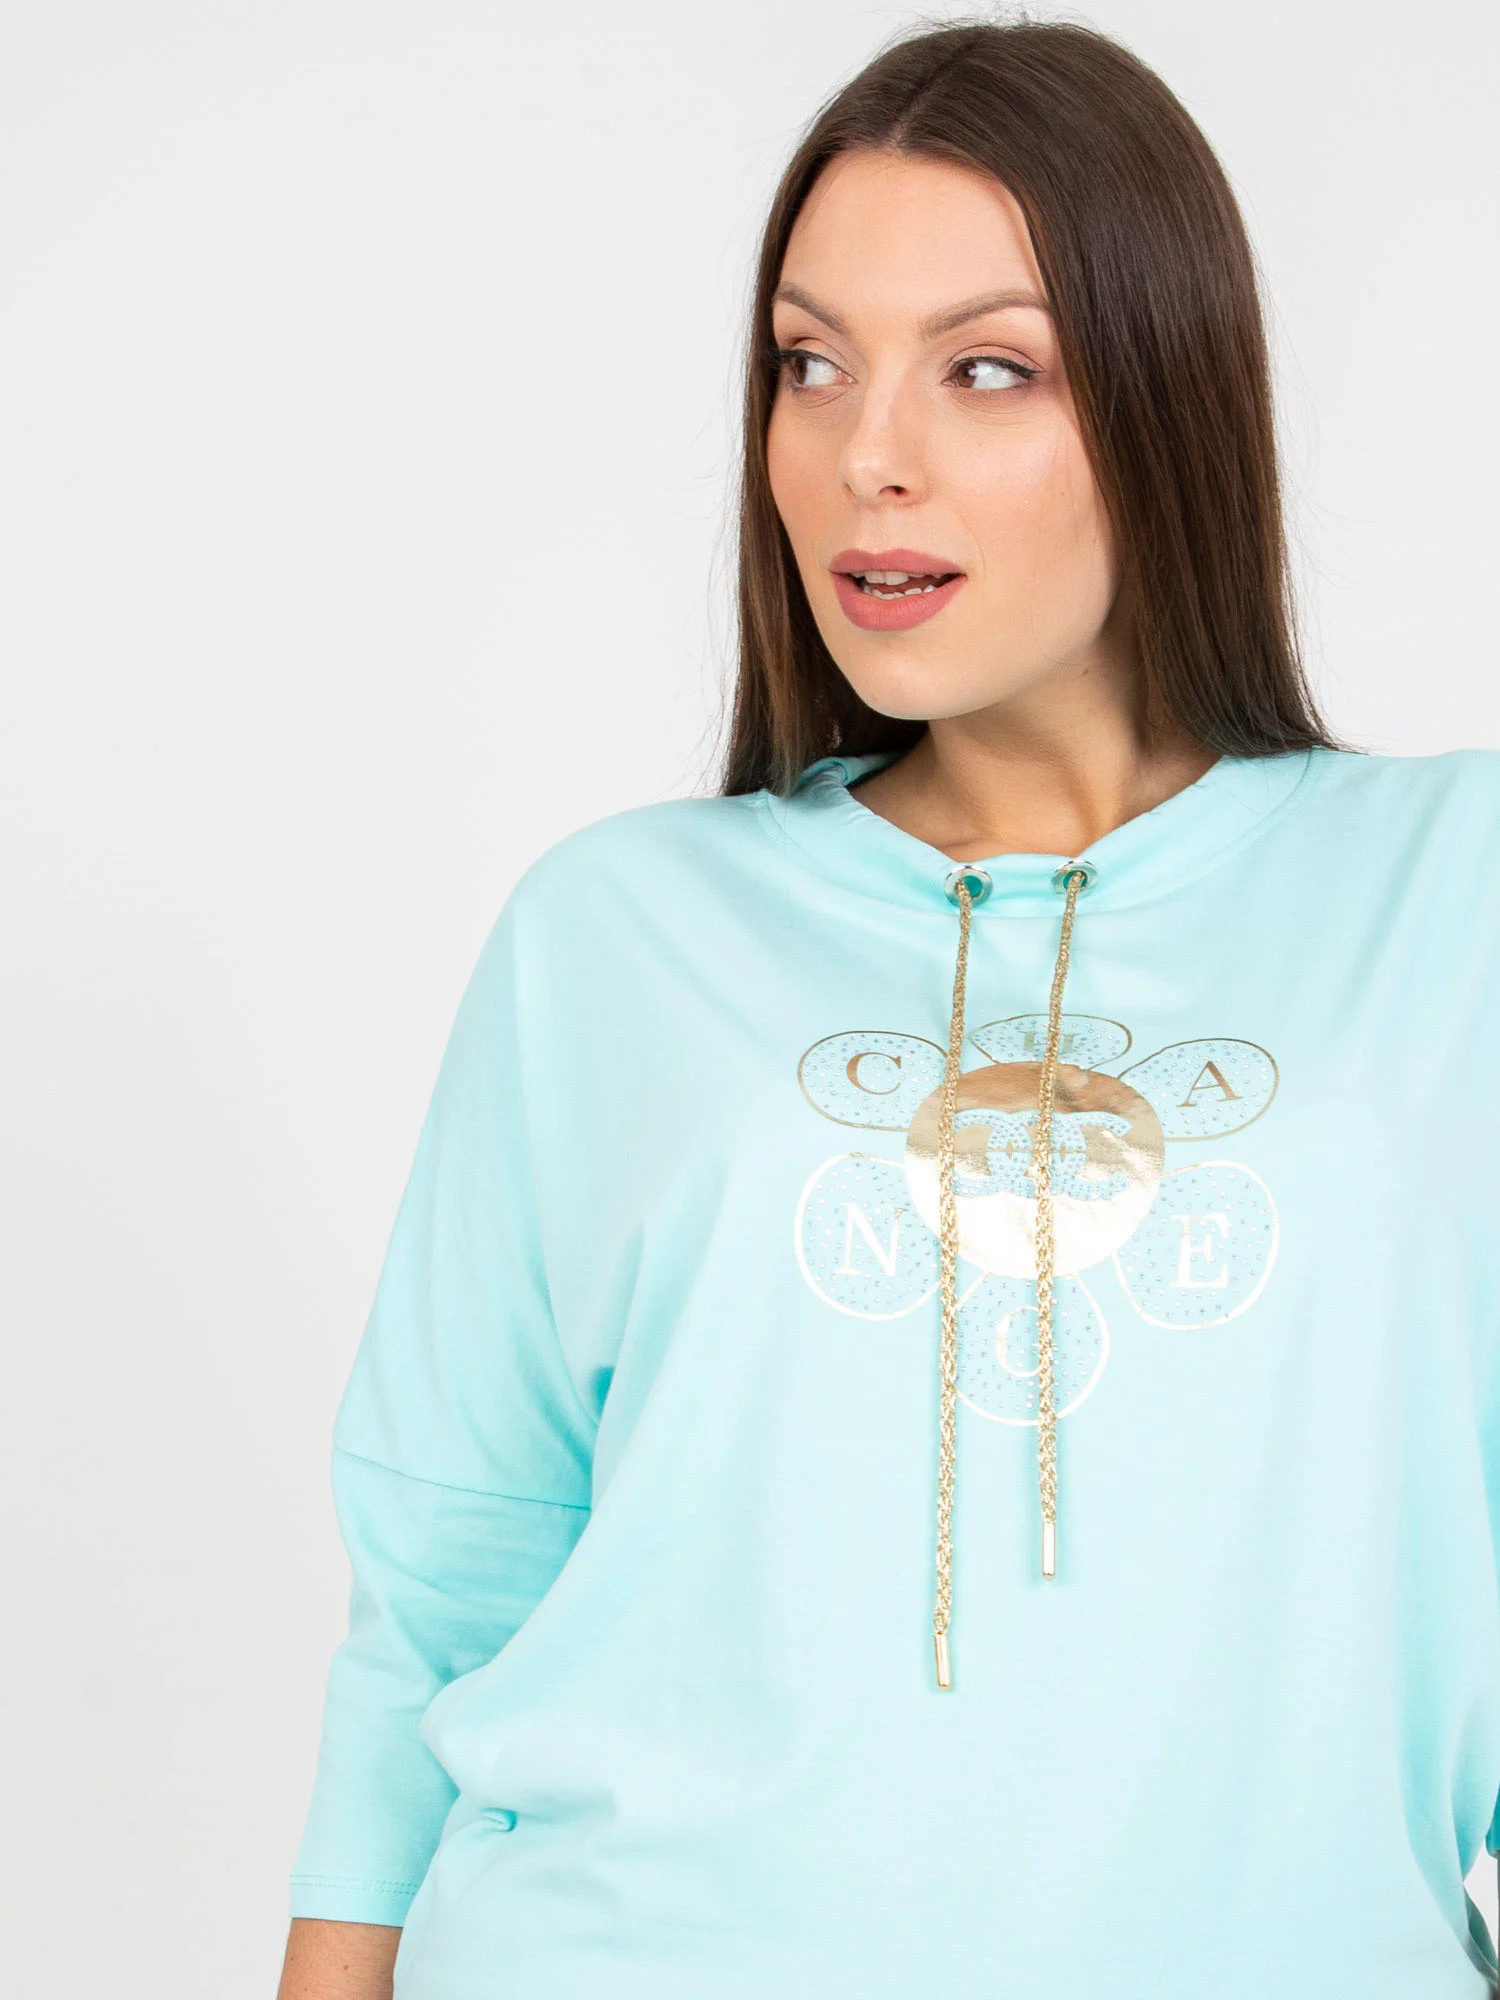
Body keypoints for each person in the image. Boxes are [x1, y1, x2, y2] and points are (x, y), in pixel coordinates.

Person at [275, 18, 1500, 2000]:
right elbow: (441, 1592)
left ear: (1172, 399)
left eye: (986, 367)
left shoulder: (1452, 894)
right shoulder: (616, 932)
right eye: (810, 362)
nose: (866, 455)